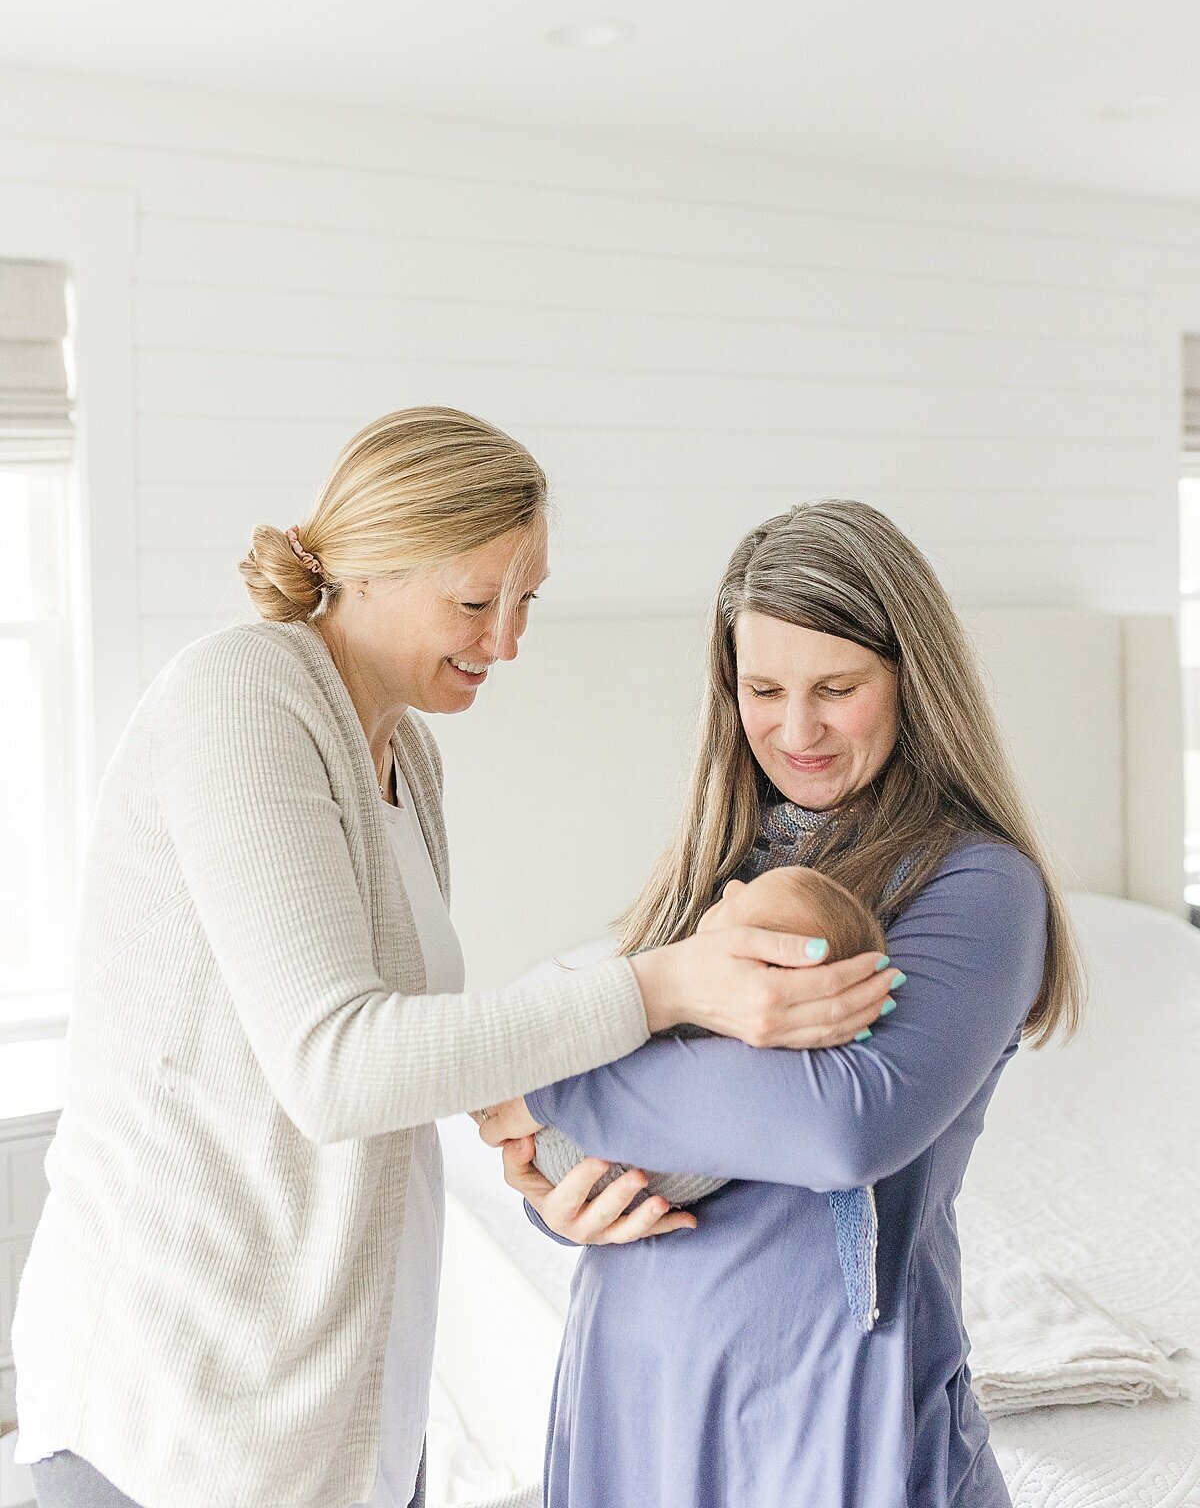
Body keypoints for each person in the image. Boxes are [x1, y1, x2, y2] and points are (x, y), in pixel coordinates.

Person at [12, 411, 899, 1508]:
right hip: (183, 1407)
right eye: (477, 602)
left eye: (526, 601)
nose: (508, 641)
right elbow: (337, 1066)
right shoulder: (240, 695)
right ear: (366, 570)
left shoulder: (408, 758)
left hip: (347, 1410)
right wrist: (661, 984)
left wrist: (528, 1142)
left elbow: (410, 1052)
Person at [480, 498, 1086, 1508]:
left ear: (911, 684)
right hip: (636, 1381)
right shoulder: (713, 877)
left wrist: (548, 1080)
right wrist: (563, 1205)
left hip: (823, 1403)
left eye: (836, 688)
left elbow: (839, 1126)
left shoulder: (978, 887)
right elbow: (662, 1122)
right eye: (763, 688)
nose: (794, 730)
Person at [532, 864, 889, 1208]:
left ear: (762, 974)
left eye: (743, 900)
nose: (733, 886)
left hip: (583, 1153)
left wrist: (541, 1094)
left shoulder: (726, 1071)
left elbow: (583, 1019)